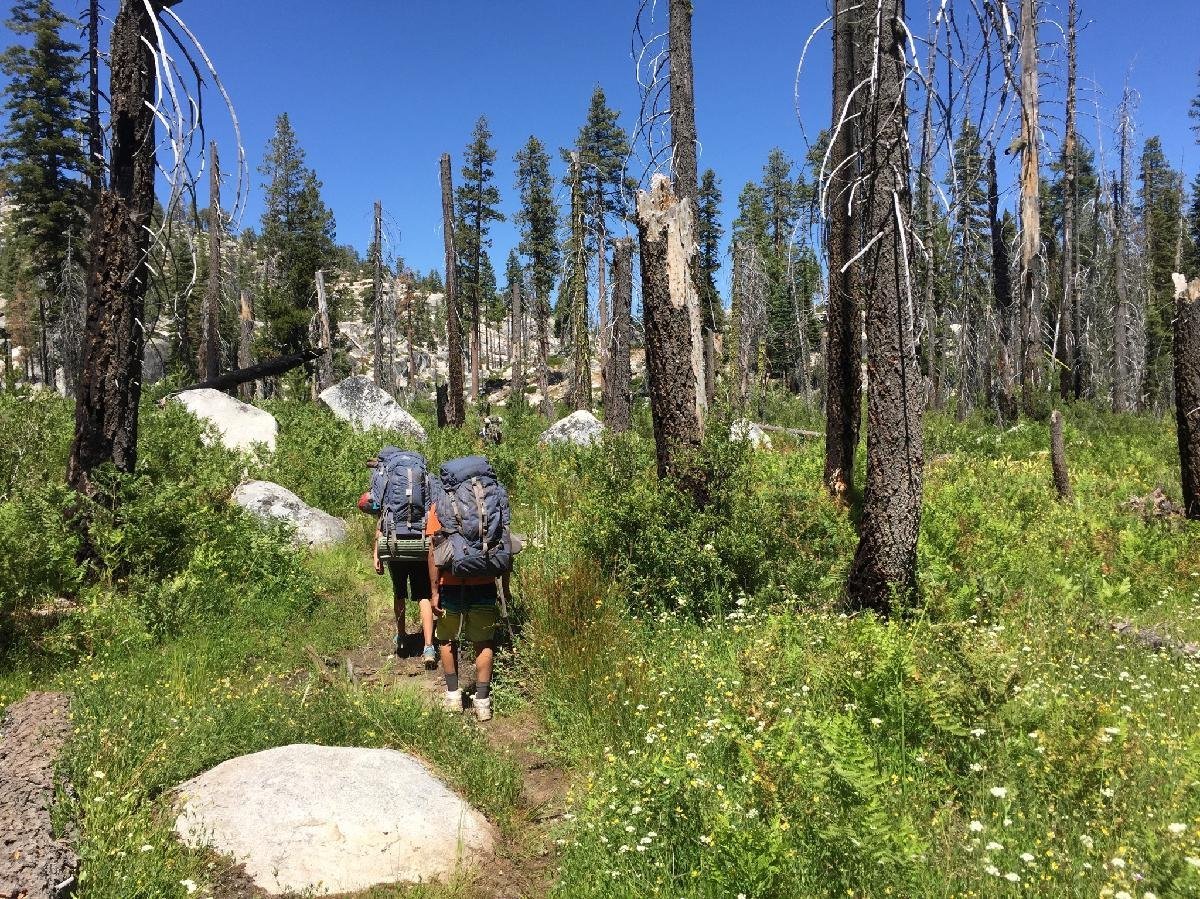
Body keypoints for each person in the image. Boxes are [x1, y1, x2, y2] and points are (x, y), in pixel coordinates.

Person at [426, 502, 511, 722]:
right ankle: (482, 702)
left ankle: (453, 697)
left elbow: (433, 551)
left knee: (446, 639)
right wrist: (506, 588)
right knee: (483, 642)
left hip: (450, 582)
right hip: (484, 580)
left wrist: (434, 591)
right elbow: (505, 544)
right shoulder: (490, 503)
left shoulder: (441, 505)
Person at [374, 518, 437, 669]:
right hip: (420, 546)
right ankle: (428, 647)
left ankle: (401, 636)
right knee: (424, 595)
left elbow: (381, 522)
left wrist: (376, 553)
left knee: (399, 593)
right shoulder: (425, 492)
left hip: (395, 546)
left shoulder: (388, 493)